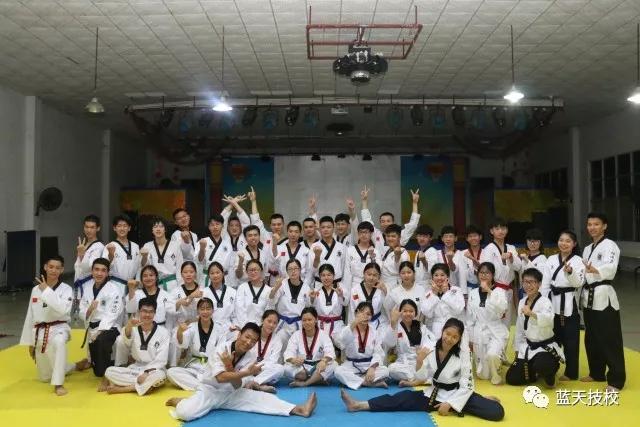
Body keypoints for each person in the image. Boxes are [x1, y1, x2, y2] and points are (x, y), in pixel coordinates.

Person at [340, 318, 504, 422]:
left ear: (459, 339)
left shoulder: (464, 354)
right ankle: (359, 405)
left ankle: (475, 399)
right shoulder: (430, 348)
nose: (449, 339)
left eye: (455, 337)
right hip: (434, 393)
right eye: (447, 334)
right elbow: (422, 376)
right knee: (401, 399)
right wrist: (419, 361)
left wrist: (450, 404)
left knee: (497, 412)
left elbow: (466, 385)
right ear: (442, 331)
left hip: (457, 393)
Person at [166, 323, 318, 421]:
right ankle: (182, 402)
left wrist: (230, 367)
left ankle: (299, 409)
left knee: (262, 399)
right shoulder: (222, 349)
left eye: (254, 341)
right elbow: (220, 378)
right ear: (239, 334)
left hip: (231, 393)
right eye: (247, 337)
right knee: (185, 413)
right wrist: (243, 372)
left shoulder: (251, 356)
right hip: (209, 390)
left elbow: (237, 384)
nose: (249, 342)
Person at [579, 212, 626, 391]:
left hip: (604, 297)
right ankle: (596, 372)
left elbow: (611, 267)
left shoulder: (610, 245)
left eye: (596, 224)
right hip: (589, 298)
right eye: (589, 224)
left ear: (604, 226)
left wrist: (595, 269)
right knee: (592, 338)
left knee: (609, 339)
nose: (592, 227)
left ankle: (616, 380)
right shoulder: (587, 248)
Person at [20, 255, 74, 396]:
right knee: (45, 377)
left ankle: (58, 384)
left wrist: (47, 291)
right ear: (45, 267)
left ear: (62, 270)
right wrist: (31, 342)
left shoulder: (66, 289)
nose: (54, 270)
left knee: (59, 342)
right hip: (40, 331)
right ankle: (72, 367)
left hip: (59, 328)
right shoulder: (35, 290)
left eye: (57, 268)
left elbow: (63, 309)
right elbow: (31, 316)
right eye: (51, 267)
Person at [506, 268, 563, 388]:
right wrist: (517, 350)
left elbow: (548, 320)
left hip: (544, 347)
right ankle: (535, 373)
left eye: (532, 282)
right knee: (512, 378)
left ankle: (551, 369)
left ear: (539, 284)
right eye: (525, 282)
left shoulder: (545, 302)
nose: (528, 285)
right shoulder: (522, 302)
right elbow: (520, 329)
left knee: (542, 366)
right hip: (528, 346)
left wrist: (532, 314)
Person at [101, 297, 169, 395]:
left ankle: (124, 388)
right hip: (136, 367)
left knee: (160, 376)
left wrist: (146, 372)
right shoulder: (133, 328)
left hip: (154, 370)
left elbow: (161, 360)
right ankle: (143, 387)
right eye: (144, 311)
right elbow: (125, 341)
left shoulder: (164, 332)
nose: (147, 315)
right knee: (109, 371)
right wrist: (129, 325)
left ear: (155, 313)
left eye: (151, 312)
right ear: (138, 312)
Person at [543, 230, 584, 381]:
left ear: (574, 244)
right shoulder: (551, 259)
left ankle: (571, 372)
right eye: (561, 240)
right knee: (552, 339)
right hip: (552, 302)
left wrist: (570, 272)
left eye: (568, 241)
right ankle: (550, 369)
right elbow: (545, 284)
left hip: (569, 303)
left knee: (571, 340)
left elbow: (578, 283)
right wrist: (543, 303)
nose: (564, 243)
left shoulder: (578, 261)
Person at [115, 265, 172, 366]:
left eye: (151, 275)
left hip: (159, 329)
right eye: (145, 276)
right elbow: (130, 309)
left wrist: (168, 332)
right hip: (140, 327)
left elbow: (170, 317)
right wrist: (131, 289)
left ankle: (154, 367)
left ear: (156, 277)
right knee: (120, 340)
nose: (148, 278)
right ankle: (121, 365)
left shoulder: (166, 295)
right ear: (141, 279)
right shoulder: (137, 293)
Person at [79, 258, 124, 377]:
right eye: (96, 269)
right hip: (92, 328)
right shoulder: (87, 287)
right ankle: (103, 365)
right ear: (92, 271)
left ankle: (111, 368)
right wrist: (89, 310)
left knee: (101, 340)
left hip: (109, 327)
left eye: (103, 270)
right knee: (98, 372)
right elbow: (82, 310)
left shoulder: (113, 289)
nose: (99, 273)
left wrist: (99, 331)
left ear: (107, 273)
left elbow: (113, 313)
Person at [167, 298, 224, 391]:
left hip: (211, 367)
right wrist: (180, 331)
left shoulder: (220, 329)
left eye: (208, 308)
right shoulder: (192, 327)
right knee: (171, 372)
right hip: (194, 366)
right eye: (202, 309)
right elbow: (182, 343)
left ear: (213, 310)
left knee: (223, 380)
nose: (205, 312)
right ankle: (202, 388)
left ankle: (195, 385)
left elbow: (221, 351)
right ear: (198, 311)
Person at [466, 262, 509, 385]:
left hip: (495, 329)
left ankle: (497, 371)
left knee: (492, 355)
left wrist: (489, 291)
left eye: (487, 273)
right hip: (479, 331)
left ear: (492, 275)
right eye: (481, 272)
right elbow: (470, 318)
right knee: (483, 375)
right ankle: (493, 365)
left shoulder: (499, 291)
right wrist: (470, 338)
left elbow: (503, 308)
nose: (484, 275)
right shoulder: (473, 293)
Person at [334, 301, 389, 389]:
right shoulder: (349, 329)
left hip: (368, 364)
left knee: (385, 371)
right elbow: (341, 343)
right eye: (362, 313)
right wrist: (354, 323)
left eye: (368, 314)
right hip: (351, 364)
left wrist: (372, 368)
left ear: (371, 317)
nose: (365, 316)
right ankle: (366, 382)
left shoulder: (374, 332)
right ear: (356, 313)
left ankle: (357, 380)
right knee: (338, 371)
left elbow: (378, 353)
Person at [479, 217, 523, 327]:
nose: (500, 231)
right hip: (494, 289)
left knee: (507, 322)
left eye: (503, 228)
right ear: (491, 231)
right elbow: (484, 272)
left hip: (508, 289)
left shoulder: (511, 248)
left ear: (507, 230)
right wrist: (487, 289)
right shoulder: (488, 249)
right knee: (494, 321)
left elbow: (518, 267)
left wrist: (511, 257)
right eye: (497, 228)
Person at [383, 299, 435, 386]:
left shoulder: (421, 326)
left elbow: (432, 341)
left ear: (415, 313)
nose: (408, 313)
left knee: (433, 366)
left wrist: (422, 351)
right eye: (405, 311)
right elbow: (389, 343)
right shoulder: (396, 326)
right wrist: (393, 323)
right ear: (400, 312)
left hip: (420, 361)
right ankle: (418, 379)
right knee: (391, 369)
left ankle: (416, 379)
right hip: (404, 363)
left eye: (411, 311)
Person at [284, 307, 336, 387]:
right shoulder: (296, 335)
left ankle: (305, 383)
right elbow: (289, 352)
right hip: (302, 367)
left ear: (316, 320)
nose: (307, 322)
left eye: (309, 320)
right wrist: (293, 360)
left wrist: (324, 361)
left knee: (334, 365)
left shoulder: (323, 335)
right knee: (285, 368)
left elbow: (330, 351)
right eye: (304, 320)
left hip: (318, 366)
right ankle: (316, 380)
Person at [359, 185, 421, 253]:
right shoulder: (376, 234)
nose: (385, 223)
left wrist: (415, 203)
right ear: (380, 223)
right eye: (383, 221)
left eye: (388, 221)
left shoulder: (400, 235)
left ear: (393, 222)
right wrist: (364, 201)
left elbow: (412, 225)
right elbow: (367, 221)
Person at [167, 261, 204, 366]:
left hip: (197, 324)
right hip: (180, 324)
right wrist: (179, 302)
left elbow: (207, 311)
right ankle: (173, 366)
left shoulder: (202, 290)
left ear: (195, 273)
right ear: (181, 274)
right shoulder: (175, 291)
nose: (188, 274)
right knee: (175, 338)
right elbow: (169, 309)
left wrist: (192, 321)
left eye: (191, 272)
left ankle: (195, 366)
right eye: (185, 272)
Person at [269, 260, 312, 345]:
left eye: (296, 268)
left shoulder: (306, 287)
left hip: (298, 324)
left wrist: (313, 298)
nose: (293, 271)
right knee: (278, 345)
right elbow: (271, 301)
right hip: (282, 324)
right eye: (290, 269)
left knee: (297, 347)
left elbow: (308, 306)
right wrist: (276, 288)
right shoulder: (282, 284)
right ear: (287, 271)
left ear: (300, 270)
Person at [245, 309, 285, 392]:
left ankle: (254, 382)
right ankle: (260, 385)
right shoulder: (252, 334)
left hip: (262, 371)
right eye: (269, 321)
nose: (271, 325)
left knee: (280, 369)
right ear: (262, 320)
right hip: (248, 368)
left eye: (275, 323)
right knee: (240, 370)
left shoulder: (277, 339)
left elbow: (273, 361)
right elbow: (244, 354)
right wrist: (252, 368)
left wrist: (259, 368)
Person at [140, 217, 184, 293]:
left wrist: (181, 287)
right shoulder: (147, 246)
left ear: (165, 229)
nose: (158, 229)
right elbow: (144, 266)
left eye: (161, 226)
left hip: (172, 284)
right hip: (154, 285)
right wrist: (144, 256)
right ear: (152, 230)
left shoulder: (175, 245)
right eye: (155, 227)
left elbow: (179, 268)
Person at [420, 263, 464, 338]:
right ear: (432, 277)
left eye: (442, 275)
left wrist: (447, 293)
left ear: (447, 276)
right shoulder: (428, 293)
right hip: (436, 329)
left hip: (453, 327)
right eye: (436, 275)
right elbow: (427, 313)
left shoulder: (456, 290)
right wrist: (434, 295)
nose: (439, 278)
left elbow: (458, 309)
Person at [73, 215, 105, 317]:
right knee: (78, 317)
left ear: (98, 228)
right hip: (79, 284)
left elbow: (90, 267)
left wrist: (82, 254)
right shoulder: (83, 245)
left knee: (88, 315)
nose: (89, 230)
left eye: (92, 227)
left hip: (89, 285)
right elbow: (78, 268)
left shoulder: (99, 246)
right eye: (86, 227)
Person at [310, 264, 348, 341]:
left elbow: (345, 303)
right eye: (323, 275)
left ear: (334, 276)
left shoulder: (340, 289)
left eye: (329, 275)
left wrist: (341, 296)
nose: (326, 278)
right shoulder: (316, 290)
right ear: (320, 277)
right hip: (320, 324)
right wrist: (312, 298)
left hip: (337, 324)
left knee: (342, 341)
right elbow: (312, 305)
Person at [103, 214, 141, 291]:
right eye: (119, 226)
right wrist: (111, 254)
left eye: (125, 226)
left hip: (132, 285)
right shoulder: (109, 246)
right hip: (115, 285)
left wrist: (137, 281)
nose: (122, 228)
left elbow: (139, 267)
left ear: (129, 228)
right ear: (114, 228)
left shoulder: (135, 246)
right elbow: (104, 267)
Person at [202, 262, 237, 341]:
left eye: (217, 272)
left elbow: (235, 314)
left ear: (223, 274)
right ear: (208, 276)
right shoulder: (204, 293)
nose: (215, 275)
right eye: (212, 273)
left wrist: (234, 326)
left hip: (228, 328)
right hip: (209, 327)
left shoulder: (233, 292)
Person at [197, 213, 234, 287]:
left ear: (222, 226)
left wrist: (231, 282)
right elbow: (199, 260)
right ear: (209, 227)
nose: (215, 227)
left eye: (217, 224)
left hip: (224, 279)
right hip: (208, 278)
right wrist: (202, 248)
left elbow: (231, 266)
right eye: (212, 225)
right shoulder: (202, 241)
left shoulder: (228, 244)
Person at [343, 221, 380, 295]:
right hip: (354, 284)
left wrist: (372, 257)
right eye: (361, 232)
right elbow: (347, 273)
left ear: (371, 234)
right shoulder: (350, 250)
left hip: (371, 285)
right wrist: (347, 292)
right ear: (358, 234)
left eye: (366, 232)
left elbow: (378, 270)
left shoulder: (376, 251)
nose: (363, 235)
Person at [426, 226, 466, 293]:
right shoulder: (436, 253)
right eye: (446, 237)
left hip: (454, 289)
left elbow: (457, 272)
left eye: (451, 236)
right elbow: (432, 271)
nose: (448, 239)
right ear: (442, 239)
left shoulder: (461, 254)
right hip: (438, 289)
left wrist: (464, 293)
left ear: (455, 238)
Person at [309, 216, 347, 288]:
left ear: (333, 228)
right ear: (319, 229)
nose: (326, 230)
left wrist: (344, 286)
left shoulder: (342, 247)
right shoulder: (314, 246)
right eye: (323, 227)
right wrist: (317, 256)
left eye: (329, 227)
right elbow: (312, 269)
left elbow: (344, 269)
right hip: (320, 284)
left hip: (337, 285)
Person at [349, 263, 388, 329]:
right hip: (359, 323)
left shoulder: (382, 289)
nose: (371, 278)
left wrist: (385, 291)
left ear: (379, 276)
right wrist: (353, 326)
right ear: (364, 274)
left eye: (375, 275)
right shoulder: (355, 290)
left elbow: (388, 307)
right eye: (369, 274)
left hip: (377, 323)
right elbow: (352, 310)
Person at [272, 221, 312, 286]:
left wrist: (304, 286)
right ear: (287, 232)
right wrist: (274, 243)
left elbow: (309, 272)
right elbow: (275, 260)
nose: (293, 234)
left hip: (301, 284)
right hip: (284, 284)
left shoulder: (306, 250)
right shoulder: (279, 248)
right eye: (290, 231)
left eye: (296, 232)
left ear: (300, 233)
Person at [234, 259, 271, 327]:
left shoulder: (268, 290)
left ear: (261, 271)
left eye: (256, 270)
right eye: (251, 270)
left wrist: (261, 326)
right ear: (246, 272)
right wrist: (246, 327)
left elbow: (268, 311)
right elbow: (239, 310)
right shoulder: (242, 287)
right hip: (244, 326)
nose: (253, 272)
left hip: (261, 327)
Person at [379, 224, 410, 289]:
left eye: (393, 236)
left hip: (396, 286)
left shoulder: (403, 252)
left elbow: (403, 270)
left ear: (399, 237)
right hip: (384, 285)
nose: (390, 239)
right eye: (388, 236)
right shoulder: (387, 250)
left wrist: (397, 257)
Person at [520, 228, 548, 297]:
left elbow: (538, 276)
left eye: (535, 241)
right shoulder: (525, 258)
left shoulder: (543, 258)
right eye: (530, 240)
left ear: (540, 242)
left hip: (537, 293)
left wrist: (527, 261)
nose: (532, 243)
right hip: (525, 292)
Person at [461, 225, 483, 293]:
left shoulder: (486, 252)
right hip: (469, 289)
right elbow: (462, 275)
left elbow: (487, 270)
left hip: (484, 287)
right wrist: (464, 293)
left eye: (475, 235)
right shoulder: (462, 254)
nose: (473, 238)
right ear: (467, 239)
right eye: (470, 236)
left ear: (480, 237)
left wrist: (472, 259)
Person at [414, 224, 437, 289]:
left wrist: (424, 261)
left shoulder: (432, 251)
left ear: (431, 238)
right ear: (416, 237)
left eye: (425, 236)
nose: (422, 239)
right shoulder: (418, 252)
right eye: (419, 236)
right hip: (417, 285)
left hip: (428, 286)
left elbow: (433, 271)